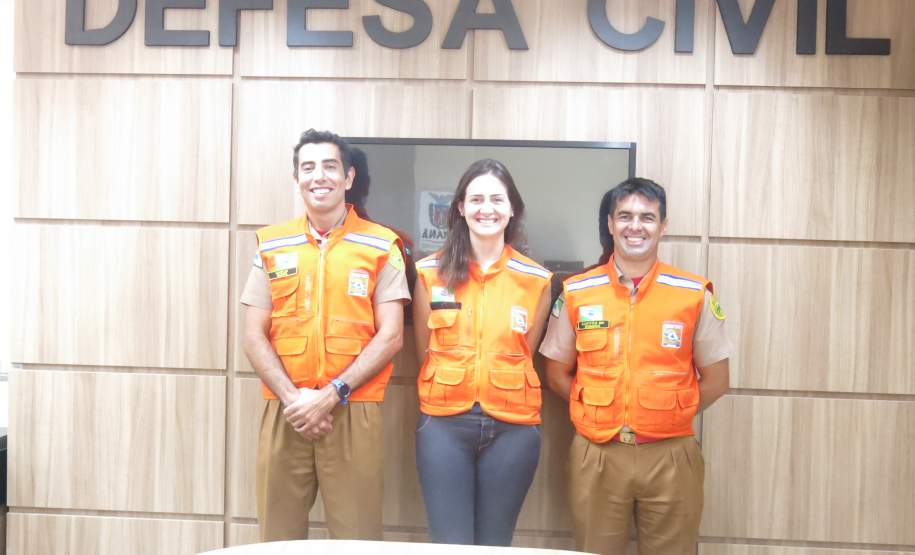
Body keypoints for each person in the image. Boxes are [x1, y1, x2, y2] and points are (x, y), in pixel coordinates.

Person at [540, 177, 730, 555]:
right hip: (597, 453)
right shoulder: (577, 291)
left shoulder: (693, 293)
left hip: (672, 454)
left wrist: (668, 414)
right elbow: (556, 372)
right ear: (610, 224)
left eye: (647, 217)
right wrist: (593, 407)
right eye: (625, 216)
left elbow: (717, 379)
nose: (635, 226)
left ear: (663, 226)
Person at [240, 129, 410, 541]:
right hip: (287, 410)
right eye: (308, 167)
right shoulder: (271, 244)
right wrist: (295, 400)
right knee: (277, 539)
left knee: (357, 539)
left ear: (349, 178)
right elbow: (252, 334)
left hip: (352, 409)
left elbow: (390, 336)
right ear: (297, 178)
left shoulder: (381, 244)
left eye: (330, 167)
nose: (319, 176)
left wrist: (331, 395)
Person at [412, 159, 552, 546]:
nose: (485, 208)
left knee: (495, 543)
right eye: (475, 199)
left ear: (512, 209)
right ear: (460, 207)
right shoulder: (429, 272)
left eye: (496, 199)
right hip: (443, 423)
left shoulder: (537, 280)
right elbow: (425, 351)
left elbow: (529, 349)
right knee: (450, 542)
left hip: (513, 426)